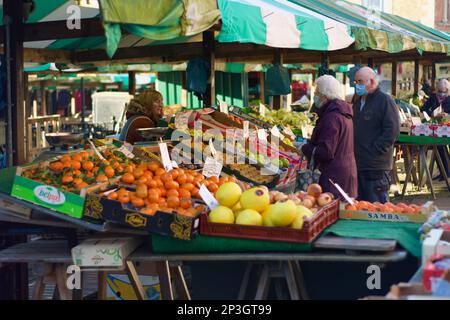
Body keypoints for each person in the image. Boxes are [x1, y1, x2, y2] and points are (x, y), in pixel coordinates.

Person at [301, 75, 357, 199]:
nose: (315, 96)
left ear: (324, 96)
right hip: (344, 175)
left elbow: (326, 152)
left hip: (333, 179)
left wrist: (305, 147)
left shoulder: (331, 118)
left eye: (317, 93)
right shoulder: (343, 114)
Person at [353, 67, 400, 203]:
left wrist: (375, 150)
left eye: (360, 81)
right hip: (359, 164)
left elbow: (392, 130)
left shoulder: (384, 100)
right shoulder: (358, 102)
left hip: (376, 167)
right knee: (361, 209)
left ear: (372, 81)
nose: (357, 85)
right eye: (356, 82)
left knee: (378, 208)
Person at [422, 79, 450, 180]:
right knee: (438, 147)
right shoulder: (433, 97)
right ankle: (443, 172)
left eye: (444, 91)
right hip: (435, 127)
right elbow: (423, 109)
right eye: (440, 91)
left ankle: (446, 172)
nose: (442, 94)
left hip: (448, 127)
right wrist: (433, 114)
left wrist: (447, 115)